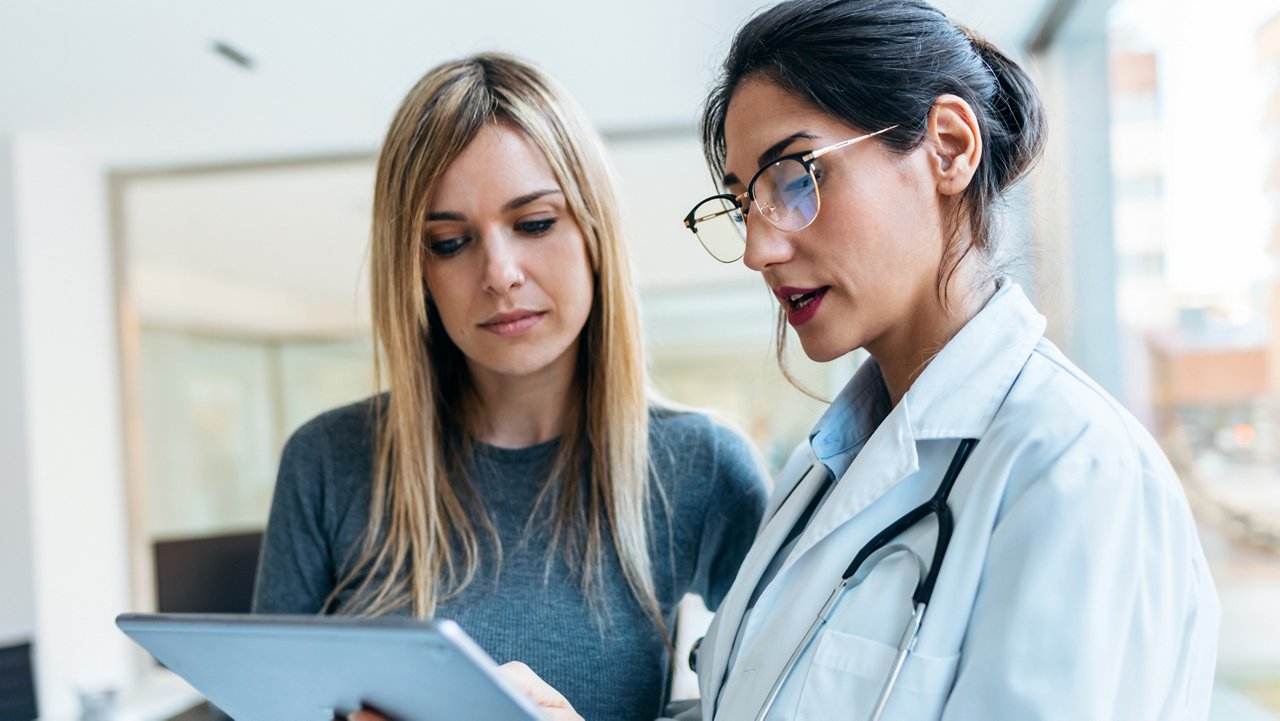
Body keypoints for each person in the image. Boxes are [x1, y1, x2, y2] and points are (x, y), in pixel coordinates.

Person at [512, 0, 1221, 719]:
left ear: (948, 146)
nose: (759, 249)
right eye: (743, 203)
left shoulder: (1075, 470)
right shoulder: (821, 474)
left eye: (795, 177)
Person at [252, 53, 768, 721]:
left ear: (594, 231)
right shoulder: (328, 461)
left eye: (534, 224)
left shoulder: (701, 464)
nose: (499, 272)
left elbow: (787, 699)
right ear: (416, 270)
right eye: (448, 241)